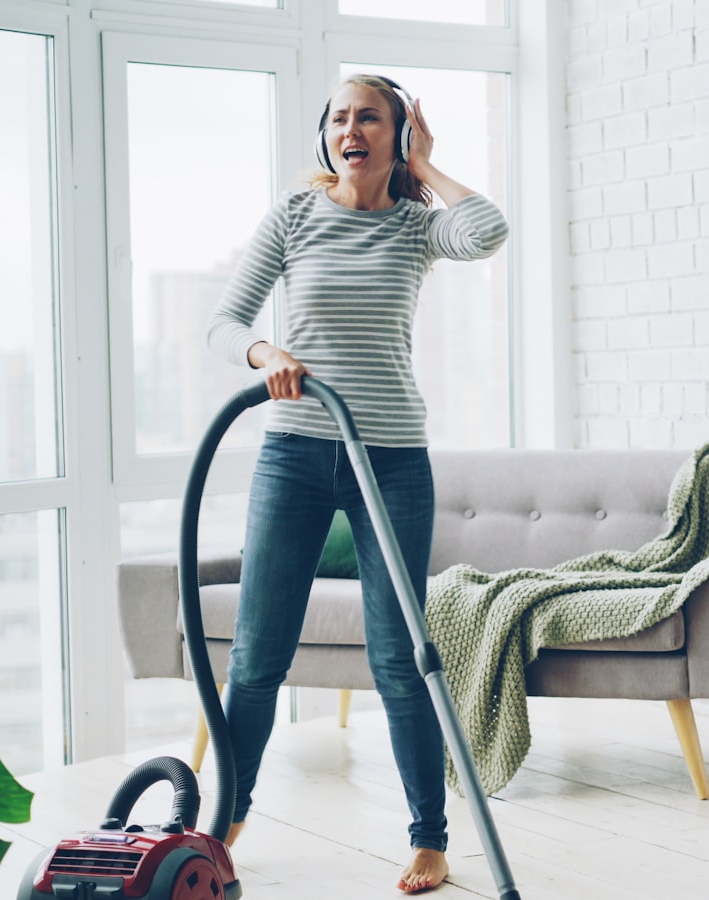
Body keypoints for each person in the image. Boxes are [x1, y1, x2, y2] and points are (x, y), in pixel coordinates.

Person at [206, 73, 508, 894]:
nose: (351, 128)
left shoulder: (416, 228)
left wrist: (430, 165)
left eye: (368, 116)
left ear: (396, 133)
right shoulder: (296, 216)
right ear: (326, 134)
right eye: (339, 117)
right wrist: (267, 354)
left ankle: (428, 840)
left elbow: (488, 229)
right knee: (257, 659)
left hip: (393, 458)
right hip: (295, 455)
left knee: (400, 658)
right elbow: (225, 321)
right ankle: (224, 822)